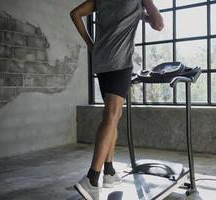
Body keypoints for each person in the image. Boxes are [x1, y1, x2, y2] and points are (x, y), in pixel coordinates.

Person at [70, 0, 163, 199]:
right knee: (112, 116)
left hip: (101, 61)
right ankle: (92, 178)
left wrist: (91, 45)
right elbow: (159, 24)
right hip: (119, 62)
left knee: (113, 116)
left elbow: (75, 13)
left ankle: (110, 172)